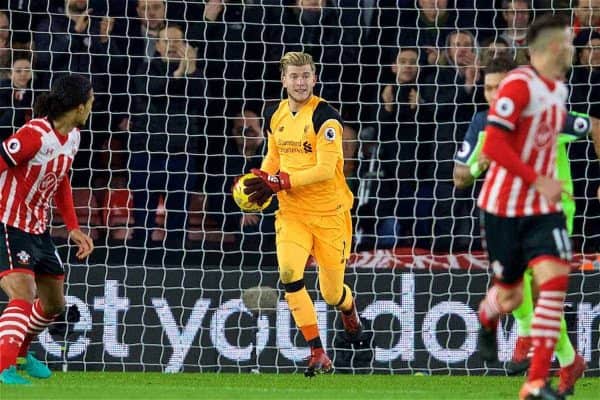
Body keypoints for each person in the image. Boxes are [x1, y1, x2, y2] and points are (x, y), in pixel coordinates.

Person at [455, 55, 596, 396]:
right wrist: (478, 166)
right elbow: (458, 177)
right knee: (516, 291)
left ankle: (528, 338)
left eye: (501, 87)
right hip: (508, 214)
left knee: (536, 287)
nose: (494, 96)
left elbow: (594, 124)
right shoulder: (482, 123)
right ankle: (566, 360)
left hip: (553, 211)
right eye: (488, 88)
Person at [475, 14, 577, 399]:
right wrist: (539, 179)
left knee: (554, 285)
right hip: (503, 209)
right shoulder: (518, 85)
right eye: (567, 42)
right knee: (511, 298)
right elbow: (495, 146)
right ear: (550, 47)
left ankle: (535, 382)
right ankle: (487, 315)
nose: (572, 48)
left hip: (542, 209)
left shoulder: (558, 89)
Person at [243, 52, 362, 377]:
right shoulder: (275, 114)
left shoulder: (326, 117)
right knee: (289, 274)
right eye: (294, 76)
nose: (300, 82)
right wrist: (257, 181)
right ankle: (317, 352)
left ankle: (349, 310)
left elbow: (325, 170)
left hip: (330, 215)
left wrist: (280, 182)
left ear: (314, 78)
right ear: (284, 79)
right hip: (292, 212)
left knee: (332, 293)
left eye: (306, 75)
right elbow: (273, 157)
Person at [0, 74, 95, 385]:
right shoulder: (35, 134)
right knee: (23, 294)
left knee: (54, 303)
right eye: (91, 100)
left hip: (38, 229)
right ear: (80, 106)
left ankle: (21, 354)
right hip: (8, 223)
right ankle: (3, 367)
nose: (93, 105)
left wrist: (73, 227)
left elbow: (62, 181)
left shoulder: (74, 137)